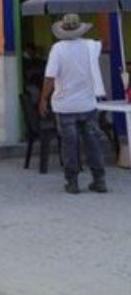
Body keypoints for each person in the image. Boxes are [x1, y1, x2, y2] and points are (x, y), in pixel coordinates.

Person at [40, 13, 108, 194]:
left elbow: (50, 78)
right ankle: (99, 180)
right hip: (87, 104)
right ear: (80, 29)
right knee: (93, 142)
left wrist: (43, 99)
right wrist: (105, 16)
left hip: (65, 106)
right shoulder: (91, 46)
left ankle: (72, 182)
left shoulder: (57, 49)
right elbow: (106, 42)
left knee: (70, 145)